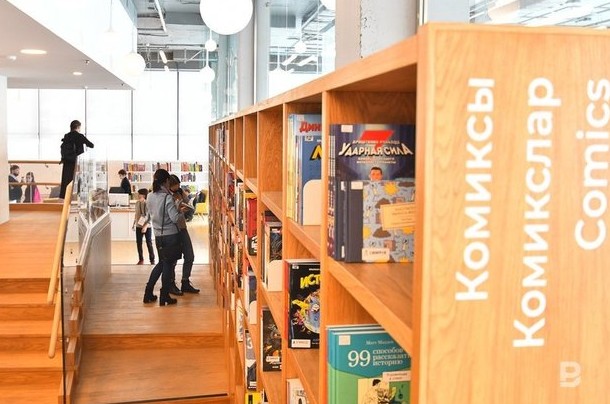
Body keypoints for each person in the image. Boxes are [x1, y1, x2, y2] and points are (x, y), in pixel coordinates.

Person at [143, 169, 189, 306]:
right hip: (170, 236)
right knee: (168, 265)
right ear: (166, 181)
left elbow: (149, 216)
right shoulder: (167, 198)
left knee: (162, 263)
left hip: (158, 235)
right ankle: (164, 296)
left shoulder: (150, 196)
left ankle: (148, 292)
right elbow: (174, 218)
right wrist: (180, 210)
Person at [168, 175, 200, 294]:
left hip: (182, 227)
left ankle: (185, 281)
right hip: (172, 229)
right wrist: (178, 209)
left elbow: (188, 204)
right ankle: (171, 283)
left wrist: (186, 204)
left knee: (189, 255)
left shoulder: (180, 192)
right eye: (175, 185)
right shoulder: (167, 196)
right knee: (173, 259)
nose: (177, 187)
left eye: (178, 184)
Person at [59, 120, 94, 199]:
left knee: (66, 181)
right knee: (78, 180)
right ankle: (78, 197)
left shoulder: (66, 136)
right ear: (78, 127)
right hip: (77, 162)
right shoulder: (80, 136)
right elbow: (91, 145)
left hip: (67, 162)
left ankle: (64, 198)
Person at [133, 188, 155, 266]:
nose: (138, 195)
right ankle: (141, 259)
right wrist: (134, 223)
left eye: (140, 194)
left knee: (149, 243)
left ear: (144, 195)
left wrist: (145, 226)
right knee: (139, 243)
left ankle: (152, 260)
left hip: (147, 226)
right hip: (138, 226)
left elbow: (151, 216)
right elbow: (136, 214)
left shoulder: (148, 204)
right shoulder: (137, 203)